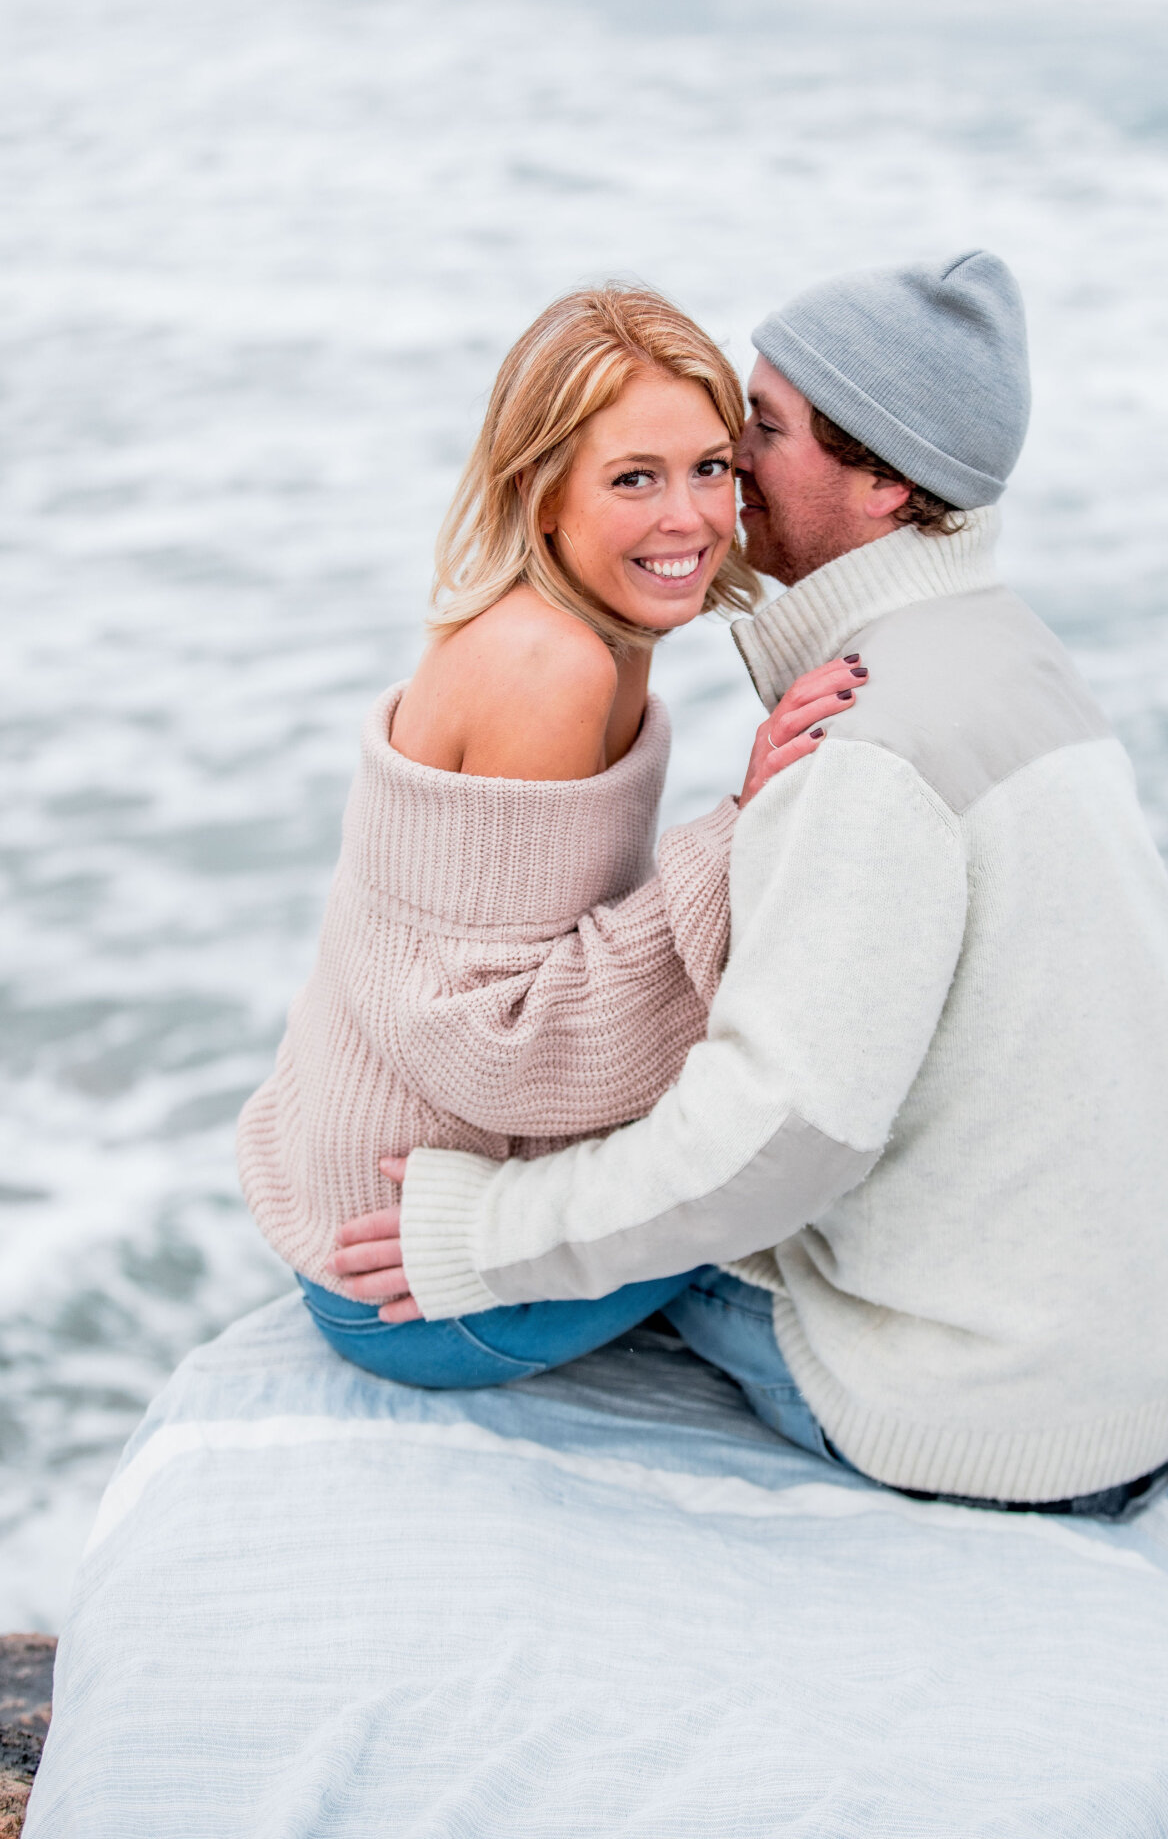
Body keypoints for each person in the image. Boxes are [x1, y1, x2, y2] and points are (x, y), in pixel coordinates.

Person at [331, 253, 1168, 1622]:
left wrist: (483, 1235)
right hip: (1156, 1316)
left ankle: (1113, 1422)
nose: (725, 468)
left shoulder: (866, 743)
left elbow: (771, 1146)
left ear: (884, 486)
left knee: (664, 1225)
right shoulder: (1008, 649)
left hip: (1003, 1410)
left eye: (760, 427)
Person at [238, 283, 853, 1379]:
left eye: (711, 466)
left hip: (421, 1192)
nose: (692, 519)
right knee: (828, 1204)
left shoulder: (605, 621)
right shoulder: (549, 661)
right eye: (634, 479)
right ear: (542, 492)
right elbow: (503, 1043)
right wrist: (748, 819)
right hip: (415, 1278)